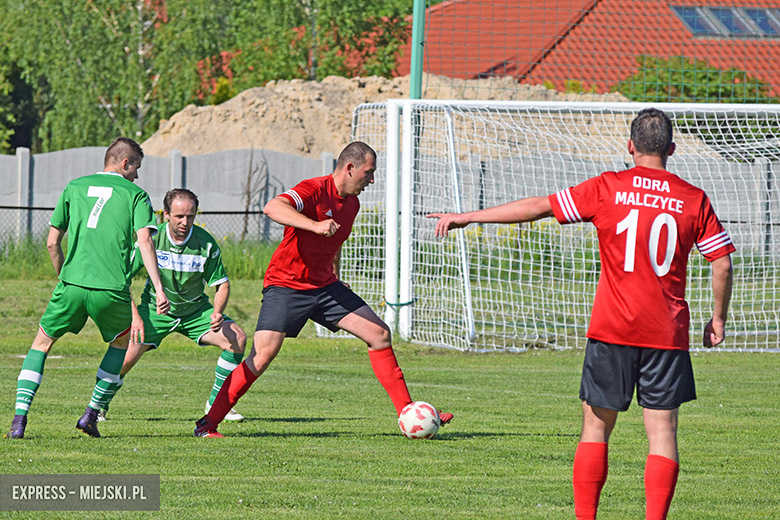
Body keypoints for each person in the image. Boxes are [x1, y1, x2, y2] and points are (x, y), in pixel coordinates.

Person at [427, 108, 734, 520]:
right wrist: (718, 319)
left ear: (630, 146)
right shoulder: (693, 198)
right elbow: (721, 263)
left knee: (596, 428)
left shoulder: (607, 188)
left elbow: (539, 206)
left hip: (612, 329)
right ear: (672, 149)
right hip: (666, 333)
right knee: (662, 433)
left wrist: (468, 217)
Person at [193, 141, 453, 437]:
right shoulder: (314, 189)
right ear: (350, 168)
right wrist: (314, 225)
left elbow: (334, 242)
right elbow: (272, 207)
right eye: (368, 172)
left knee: (379, 334)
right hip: (286, 285)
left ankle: (410, 415)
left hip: (325, 286)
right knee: (262, 355)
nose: (371, 180)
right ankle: (208, 423)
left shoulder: (352, 204)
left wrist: (336, 274)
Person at [5, 137, 170, 439]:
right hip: (110, 289)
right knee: (120, 344)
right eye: (136, 167)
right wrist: (159, 288)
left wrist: (64, 277)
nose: (137, 175)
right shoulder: (136, 195)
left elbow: (52, 243)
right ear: (125, 163)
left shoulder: (74, 186)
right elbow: (145, 241)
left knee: (41, 344)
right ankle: (91, 415)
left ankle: (18, 420)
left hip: (71, 284)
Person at [97, 188, 247, 422]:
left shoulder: (205, 243)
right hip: (154, 312)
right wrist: (135, 316)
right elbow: (122, 279)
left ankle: (217, 405)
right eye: (179, 216)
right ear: (165, 214)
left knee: (236, 338)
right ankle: (97, 407)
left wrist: (218, 312)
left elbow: (222, 284)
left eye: (190, 216)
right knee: (122, 359)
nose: (185, 222)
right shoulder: (151, 240)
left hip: (195, 312)